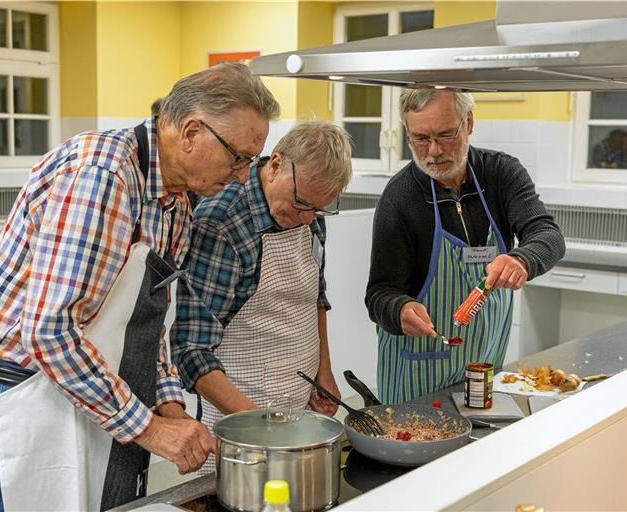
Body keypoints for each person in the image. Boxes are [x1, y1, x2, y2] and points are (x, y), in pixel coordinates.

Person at [0, 62, 280, 511]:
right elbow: (47, 332)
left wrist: (169, 406)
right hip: (29, 394)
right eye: (239, 157)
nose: (244, 175)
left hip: (88, 387)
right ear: (191, 132)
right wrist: (149, 428)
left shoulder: (176, 204)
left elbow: (149, 326)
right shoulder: (103, 176)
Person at [172, 120, 352, 473]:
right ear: (275, 165)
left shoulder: (309, 209)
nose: (307, 218)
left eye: (319, 209)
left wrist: (324, 372)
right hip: (240, 416)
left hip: (298, 405)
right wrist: (257, 424)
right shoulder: (222, 221)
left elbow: (316, 295)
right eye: (301, 203)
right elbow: (190, 349)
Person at [365, 89, 565, 404]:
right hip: (417, 378)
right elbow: (379, 293)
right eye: (420, 138)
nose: (432, 151)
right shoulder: (400, 197)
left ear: (468, 123)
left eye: (445, 135)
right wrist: (398, 309)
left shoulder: (501, 174)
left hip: (484, 369)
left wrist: (522, 260)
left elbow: (547, 234)